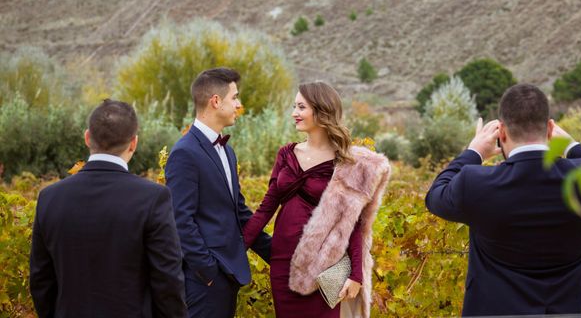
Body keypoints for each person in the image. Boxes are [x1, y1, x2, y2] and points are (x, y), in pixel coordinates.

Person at [426, 83, 581, 316]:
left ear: (501, 133)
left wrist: (474, 152)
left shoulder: (474, 183)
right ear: (550, 129)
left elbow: (435, 196)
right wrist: (573, 146)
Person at [242, 82, 390, 318]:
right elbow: (265, 208)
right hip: (283, 263)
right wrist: (236, 249)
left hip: (323, 266)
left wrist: (356, 275)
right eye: (294, 106)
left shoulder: (345, 162)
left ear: (321, 110)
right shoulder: (286, 153)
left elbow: (352, 224)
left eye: (301, 107)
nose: (294, 113)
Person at [29, 99, 187, 318]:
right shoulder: (152, 198)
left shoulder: (50, 197)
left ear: (87, 137)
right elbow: (168, 281)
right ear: (133, 143)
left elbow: (40, 280)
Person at [165, 67, 271, 318]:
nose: (239, 104)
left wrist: (280, 253)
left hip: (227, 277)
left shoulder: (227, 150)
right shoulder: (185, 153)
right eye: (234, 97)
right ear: (215, 101)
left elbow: (239, 213)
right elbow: (180, 220)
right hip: (204, 282)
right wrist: (208, 271)